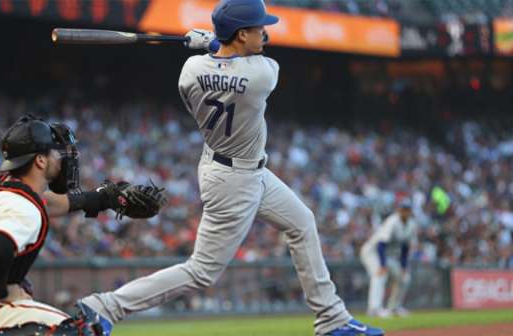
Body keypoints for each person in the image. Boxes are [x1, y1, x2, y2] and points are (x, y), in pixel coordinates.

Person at [77, 1, 384, 335]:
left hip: (229, 164)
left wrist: (212, 48)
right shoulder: (262, 74)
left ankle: (332, 319)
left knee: (302, 222)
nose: (264, 33)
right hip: (235, 181)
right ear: (240, 35)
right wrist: (212, 43)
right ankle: (104, 305)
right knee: (202, 272)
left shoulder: (190, 70)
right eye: (257, 28)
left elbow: (216, 67)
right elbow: (248, 64)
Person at [0, 115, 165, 335]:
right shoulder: (24, 207)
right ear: (40, 161)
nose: (62, 158)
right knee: (79, 331)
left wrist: (101, 198)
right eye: (56, 152)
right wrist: (5, 292)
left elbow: (47, 203)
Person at [360, 200, 417, 318]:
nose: (405, 212)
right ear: (399, 210)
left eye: (407, 210)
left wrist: (403, 266)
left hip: (387, 256)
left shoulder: (411, 224)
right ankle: (374, 309)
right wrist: (382, 265)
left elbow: (405, 248)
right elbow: (381, 244)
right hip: (372, 251)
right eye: (403, 209)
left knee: (404, 277)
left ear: (410, 211)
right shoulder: (392, 221)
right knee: (379, 275)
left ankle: (394, 307)